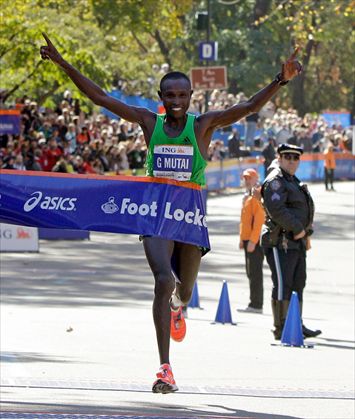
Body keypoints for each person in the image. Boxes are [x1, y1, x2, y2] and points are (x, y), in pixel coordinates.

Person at [40, 33, 302, 393]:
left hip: (190, 215)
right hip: (155, 212)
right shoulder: (150, 123)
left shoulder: (202, 125)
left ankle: (179, 305)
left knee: (184, 289)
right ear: (161, 99)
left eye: (182, 95)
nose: (176, 101)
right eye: (170, 95)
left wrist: (281, 79)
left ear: (190, 98)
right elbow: (100, 96)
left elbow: (248, 107)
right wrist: (63, 63)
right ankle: (165, 368)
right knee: (164, 280)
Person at [261, 143, 321, 340]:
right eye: (288, 157)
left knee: (298, 282)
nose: (292, 161)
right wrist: (298, 228)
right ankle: (281, 326)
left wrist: (305, 230)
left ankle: (295, 322)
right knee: (283, 283)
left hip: (296, 241)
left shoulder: (292, 180)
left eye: (296, 158)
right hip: (280, 241)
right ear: (279, 158)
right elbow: (276, 209)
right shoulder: (276, 180)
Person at [239, 169, 265, 313]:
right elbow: (244, 221)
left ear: (256, 179)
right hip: (248, 239)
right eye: (245, 178)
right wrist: (242, 239)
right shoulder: (247, 196)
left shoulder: (256, 196)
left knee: (255, 273)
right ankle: (253, 302)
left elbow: (259, 221)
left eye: (250, 178)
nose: (247, 180)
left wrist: (253, 241)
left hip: (254, 241)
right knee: (250, 272)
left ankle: (256, 304)